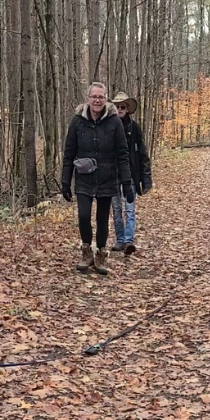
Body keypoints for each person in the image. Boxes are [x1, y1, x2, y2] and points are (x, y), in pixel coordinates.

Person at [61, 82, 133, 277]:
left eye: (101, 97)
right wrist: (65, 181)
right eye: (94, 96)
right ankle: (86, 251)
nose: (97, 100)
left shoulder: (114, 122)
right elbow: (69, 152)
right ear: (88, 98)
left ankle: (101, 254)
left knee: (102, 220)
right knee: (83, 216)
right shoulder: (77, 121)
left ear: (105, 99)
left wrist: (127, 182)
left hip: (107, 178)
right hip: (84, 178)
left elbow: (123, 153)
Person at [109, 93, 152, 255]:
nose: (120, 110)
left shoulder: (134, 128)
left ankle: (128, 240)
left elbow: (142, 154)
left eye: (123, 107)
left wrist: (146, 179)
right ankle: (120, 240)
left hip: (131, 176)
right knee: (116, 209)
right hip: (113, 176)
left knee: (130, 209)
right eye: (117, 107)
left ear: (128, 109)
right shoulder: (109, 126)